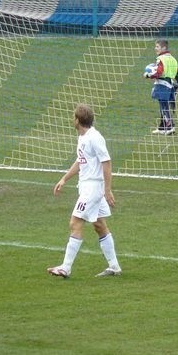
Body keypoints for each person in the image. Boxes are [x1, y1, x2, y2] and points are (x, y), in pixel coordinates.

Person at [47, 104, 122, 278]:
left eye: (73, 117)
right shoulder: (83, 137)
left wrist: (107, 189)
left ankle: (65, 267)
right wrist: (64, 179)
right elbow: (81, 161)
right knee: (99, 225)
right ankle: (114, 266)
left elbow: (107, 162)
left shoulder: (94, 138)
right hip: (88, 187)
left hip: (93, 189)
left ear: (78, 120)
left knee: (75, 223)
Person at [144, 39, 178, 135]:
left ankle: (170, 127)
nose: (155, 48)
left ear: (164, 48)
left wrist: (148, 75)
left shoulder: (161, 59)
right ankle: (162, 127)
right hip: (170, 86)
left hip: (162, 85)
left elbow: (159, 72)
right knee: (163, 105)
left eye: (157, 47)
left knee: (164, 106)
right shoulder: (173, 59)